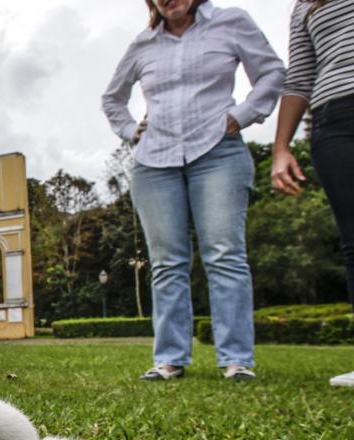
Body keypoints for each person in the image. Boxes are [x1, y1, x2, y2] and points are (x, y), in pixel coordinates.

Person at [102, 0, 285, 381]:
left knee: (224, 254)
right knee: (167, 262)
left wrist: (242, 114)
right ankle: (170, 359)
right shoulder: (143, 44)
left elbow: (271, 72)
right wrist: (129, 130)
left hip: (218, 152)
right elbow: (112, 98)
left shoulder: (231, 22)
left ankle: (236, 360)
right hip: (155, 162)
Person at [271, 0, 354, 388]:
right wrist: (281, 148)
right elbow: (300, 78)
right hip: (333, 118)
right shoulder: (305, 6)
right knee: (353, 241)